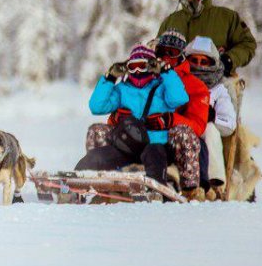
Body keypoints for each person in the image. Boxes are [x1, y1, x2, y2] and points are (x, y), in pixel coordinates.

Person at [77, 44, 189, 187]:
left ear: (151, 66)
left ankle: (156, 189)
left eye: (142, 66)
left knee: (153, 152)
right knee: (98, 156)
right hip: (128, 147)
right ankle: (76, 182)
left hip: (156, 145)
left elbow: (179, 98)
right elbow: (96, 106)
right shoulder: (122, 89)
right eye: (132, 66)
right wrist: (110, 78)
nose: (137, 71)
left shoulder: (161, 87)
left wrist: (166, 72)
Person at [158, 0, 257, 78]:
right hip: (179, 84)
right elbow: (157, 50)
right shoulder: (171, 21)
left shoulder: (227, 17)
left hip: (219, 83)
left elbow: (247, 44)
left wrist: (229, 59)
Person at [151, 29, 208, 199]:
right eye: (162, 52)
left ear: (182, 56)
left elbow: (198, 126)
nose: (166, 58)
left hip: (175, 143)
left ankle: (190, 191)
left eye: (173, 53)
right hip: (147, 137)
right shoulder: (146, 78)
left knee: (184, 134)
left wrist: (170, 120)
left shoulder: (195, 86)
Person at [185, 36, 238, 200]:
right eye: (194, 60)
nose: (198, 65)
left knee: (210, 130)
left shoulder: (219, 87)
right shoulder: (179, 80)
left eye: (203, 61)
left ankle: (216, 183)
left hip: (205, 132)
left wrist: (213, 116)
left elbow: (229, 124)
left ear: (212, 63)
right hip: (183, 128)